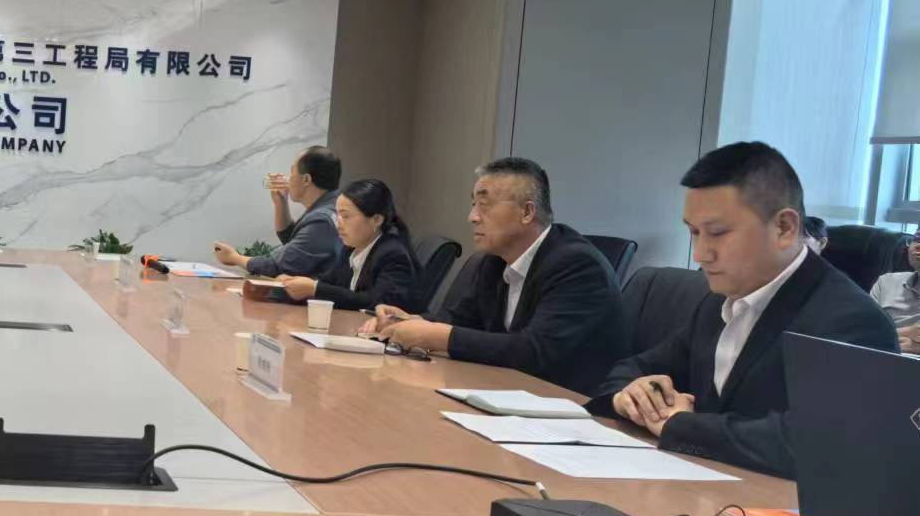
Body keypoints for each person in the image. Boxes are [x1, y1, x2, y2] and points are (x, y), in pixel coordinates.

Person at [587, 142, 898, 478]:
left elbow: (817, 443)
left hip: (777, 507)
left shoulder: (853, 321)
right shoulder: (720, 300)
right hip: (699, 488)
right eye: (693, 232)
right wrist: (631, 396)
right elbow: (637, 366)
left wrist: (681, 425)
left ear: (784, 228)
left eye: (718, 233)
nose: (700, 254)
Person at [362, 157, 627, 394]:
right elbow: (458, 321)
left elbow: (535, 351)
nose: (472, 217)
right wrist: (409, 322)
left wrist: (433, 335)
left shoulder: (577, 265)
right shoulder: (494, 260)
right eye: (473, 205)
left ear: (527, 212)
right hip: (508, 392)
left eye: (484, 205)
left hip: (568, 406)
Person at [275, 178, 417, 311]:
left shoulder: (392, 253)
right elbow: (328, 282)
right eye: (337, 215)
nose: (338, 224)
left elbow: (378, 304)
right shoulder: (350, 249)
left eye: (346, 216)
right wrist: (297, 283)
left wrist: (315, 289)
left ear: (376, 220)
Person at [212, 146, 343, 278]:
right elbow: (294, 242)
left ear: (306, 180)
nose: (288, 178)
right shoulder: (329, 207)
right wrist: (281, 203)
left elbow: (277, 266)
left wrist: (234, 257)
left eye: (292, 172)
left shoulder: (321, 220)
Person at [866, 233, 919, 354]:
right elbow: (862, 330)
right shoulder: (886, 282)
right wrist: (907, 332)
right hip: (877, 354)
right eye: (917, 239)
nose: (918, 245)